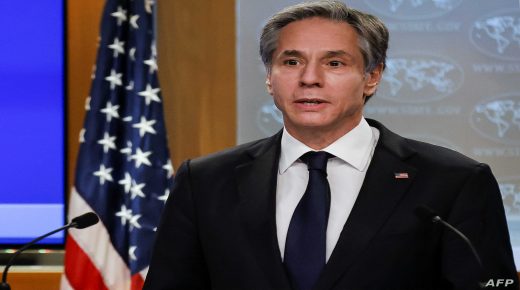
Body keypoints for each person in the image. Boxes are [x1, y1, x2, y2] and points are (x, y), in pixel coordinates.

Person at [143, 1, 518, 289]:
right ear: (270, 79)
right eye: (291, 61)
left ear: (372, 76)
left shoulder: (453, 182)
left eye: (334, 63)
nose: (309, 79)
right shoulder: (206, 181)